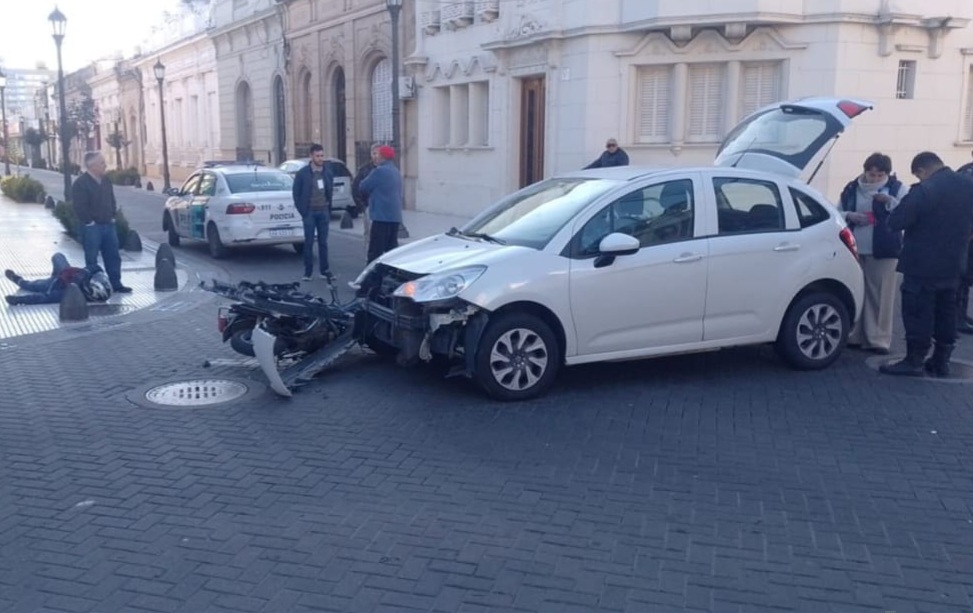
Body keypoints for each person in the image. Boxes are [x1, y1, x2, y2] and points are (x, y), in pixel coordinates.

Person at [880, 151, 973, 377]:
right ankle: (941, 361)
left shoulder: (925, 190)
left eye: (918, 175)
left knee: (917, 313)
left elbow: (897, 221)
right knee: (946, 313)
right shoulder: (968, 185)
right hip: (953, 264)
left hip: (921, 265)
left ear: (922, 170)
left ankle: (914, 360)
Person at [839, 152, 908, 354]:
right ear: (865, 171)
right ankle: (855, 335)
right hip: (856, 247)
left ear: (887, 174)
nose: (875, 179)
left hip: (885, 249)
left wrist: (888, 200)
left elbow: (905, 212)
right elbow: (838, 212)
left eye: (879, 175)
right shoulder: (852, 189)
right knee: (858, 291)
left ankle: (878, 339)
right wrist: (850, 215)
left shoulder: (898, 188)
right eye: (871, 174)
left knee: (881, 295)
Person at [72, 151, 131, 293]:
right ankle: (94, 286)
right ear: (92, 166)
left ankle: (116, 283)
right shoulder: (81, 183)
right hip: (92, 227)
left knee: (113, 256)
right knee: (92, 258)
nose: (105, 166)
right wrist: (89, 222)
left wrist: (112, 215)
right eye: (102, 163)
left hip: (108, 225)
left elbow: (111, 198)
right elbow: (79, 205)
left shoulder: (106, 180)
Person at [291, 144, 334, 281]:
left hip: (323, 211)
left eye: (322, 155)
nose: (320, 158)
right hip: (309, 212)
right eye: (317, 156)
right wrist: (303, 211)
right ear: (311, 156)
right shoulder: (303, 173)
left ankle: (324, 270)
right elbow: (296, 193)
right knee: (308, 243)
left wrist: (328, 207)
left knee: (323, 243)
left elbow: (329, 190)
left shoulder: (327, 172)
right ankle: (307, 272)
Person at [4, 253, 111, 305]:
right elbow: (96, 267)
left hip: (55, 283)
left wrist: (19, 300)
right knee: (58, 256)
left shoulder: (71, 293)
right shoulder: (91, 276)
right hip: (65, 271)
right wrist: (84, 273)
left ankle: (17, 279)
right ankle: (54, 275)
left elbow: (45, 297)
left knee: (32, 285)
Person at [359, 145, 403, 263]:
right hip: (394, 217)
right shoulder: (395, 171)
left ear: (383, 157)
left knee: (375, 251)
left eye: (377, 154)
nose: (375, 158)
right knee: (391, 250)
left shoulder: (379, 171)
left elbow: (363, 186)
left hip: (381, 216)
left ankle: (372, 279)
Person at [352, 144, 381, 259]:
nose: (376, 156)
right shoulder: (364, 170)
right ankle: (369, 259)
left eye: (378, 153)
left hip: (383, 208)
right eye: (374, 153)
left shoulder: (386, 169)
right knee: (369, 235)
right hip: (369, 207)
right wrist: (363, 207)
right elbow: (356, 189)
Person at [956, 151, 973, 334]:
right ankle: (957, 317)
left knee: (967, 278)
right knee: (962, 276)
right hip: (966, 234)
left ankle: (961, 314)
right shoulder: (967, 174)